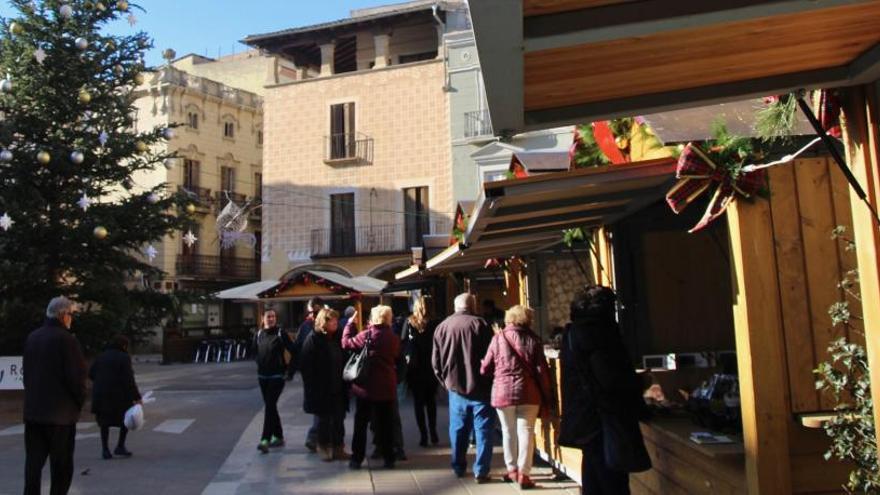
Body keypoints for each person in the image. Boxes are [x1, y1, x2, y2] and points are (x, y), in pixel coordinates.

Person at [558, 285, 649, 495]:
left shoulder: (572, 333)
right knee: (612, 481)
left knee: (593, 474)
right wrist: (639, 383)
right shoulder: (599, 334)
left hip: (583, 416)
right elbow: (609, 378)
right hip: (603, 418)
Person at [480, 305, 552, 489]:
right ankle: (524, 474)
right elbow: (542, 371)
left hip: (503, 392)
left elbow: (485, 368)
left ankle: (511, 469)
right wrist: (547, 395)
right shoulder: (534, 340)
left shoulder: (498, 338)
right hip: (528, 392)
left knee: (507, 431)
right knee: (526, 431)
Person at [23, 296, 88, 495]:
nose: (72, 319)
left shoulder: (33, 337)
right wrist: (79, 401)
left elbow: (26, 373)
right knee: (61, 467)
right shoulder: (67, 340)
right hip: (61, 415)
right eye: (71, 314)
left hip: (34, 412)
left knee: (33, 464)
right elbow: (75, 377)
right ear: (62, 315)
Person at [432, 293, 495, 483]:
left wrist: (445, 382)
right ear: (473, 306)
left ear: (455, 306)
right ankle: (481, 470)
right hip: (482, 387)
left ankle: (458, 466)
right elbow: (492, 356)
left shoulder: (442, 327)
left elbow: (436, 362)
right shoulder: (481, 325)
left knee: (458, 428)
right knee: (483, 429)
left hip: (455, 388)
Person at [341, 305, 400, 470]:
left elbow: (345, 343)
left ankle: (356, 459)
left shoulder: (367, 335)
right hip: (387, 388)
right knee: (386, 425)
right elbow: (396, 356)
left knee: (361, 425)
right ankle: (389, 458)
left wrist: (349, 325)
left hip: (365, 389)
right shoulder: (393, 337)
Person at [299, 308, 350, 461]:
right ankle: (323, 446)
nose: (335, 322)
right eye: (332, 320)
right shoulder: (314, 339)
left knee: (339, 419)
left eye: (336, 320)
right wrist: (313, 388)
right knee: (324, 421)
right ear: (324, 322)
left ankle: (338, 448)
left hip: (338, 386)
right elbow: (306, 367)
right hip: (322, 388)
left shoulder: (338, 337)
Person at [89, 334, 142, 460]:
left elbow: (91, 373)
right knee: (126, 419)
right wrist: (137, 397)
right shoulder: (123, 357)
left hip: (101, 394)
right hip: (119, 395)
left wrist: (101, 381)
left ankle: (105, 450)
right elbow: (129, 379)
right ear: (124, 346)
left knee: (104, 423)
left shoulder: (101, 356)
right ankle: (120, 446)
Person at [253, 308, 296, 454]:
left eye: (273, 316)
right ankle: (278, 436)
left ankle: (264, 439)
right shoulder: (258, 334)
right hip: (263, 376)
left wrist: (289, 371)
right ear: (262, 318)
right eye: (268, 316)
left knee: (270, 406)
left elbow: (294, 351)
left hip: (277, 376)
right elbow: (254, 352)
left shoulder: (280, 333)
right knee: (271, 406)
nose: (271, 319)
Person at [401, 295, 440, 447]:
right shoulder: (436, 323)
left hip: (415, 369)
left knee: (418, 403)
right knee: (431, 402)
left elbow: (403, 343)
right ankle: (434, 432)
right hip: (431, 367)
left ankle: (423, 435)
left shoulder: (410, 322)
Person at [290, 296, 324, 451]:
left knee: (320, 406)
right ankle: (315, 435)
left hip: (316, 372)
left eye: (315, 311)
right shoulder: (307, 326)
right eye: (312, 312)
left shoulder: (311, 326)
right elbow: (297, 349)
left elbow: (296, 348)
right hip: (314, 372)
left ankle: (318, 436)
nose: (313, 315)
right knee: (320, 406)